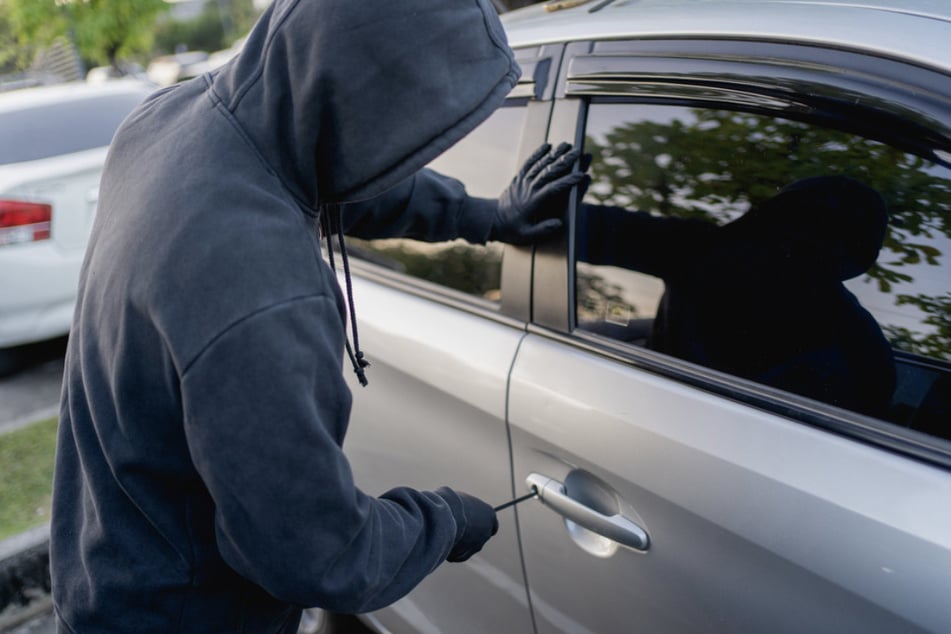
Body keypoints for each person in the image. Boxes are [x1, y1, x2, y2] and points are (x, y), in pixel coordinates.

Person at [50, 1, 584, 632]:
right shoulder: (258, 289)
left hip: (106, 571)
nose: (412, 147)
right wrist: (444, 521)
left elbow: (321, 172)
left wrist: (481, 216)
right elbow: (319, 555)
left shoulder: (167, 121)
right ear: (361, 104)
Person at [578, 175, 896, 417]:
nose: (806, 248)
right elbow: (592, 229)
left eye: (829, 241)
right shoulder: (856, 335)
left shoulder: (852, 336)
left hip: (652, 421)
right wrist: (549, 221)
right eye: (805, 229)